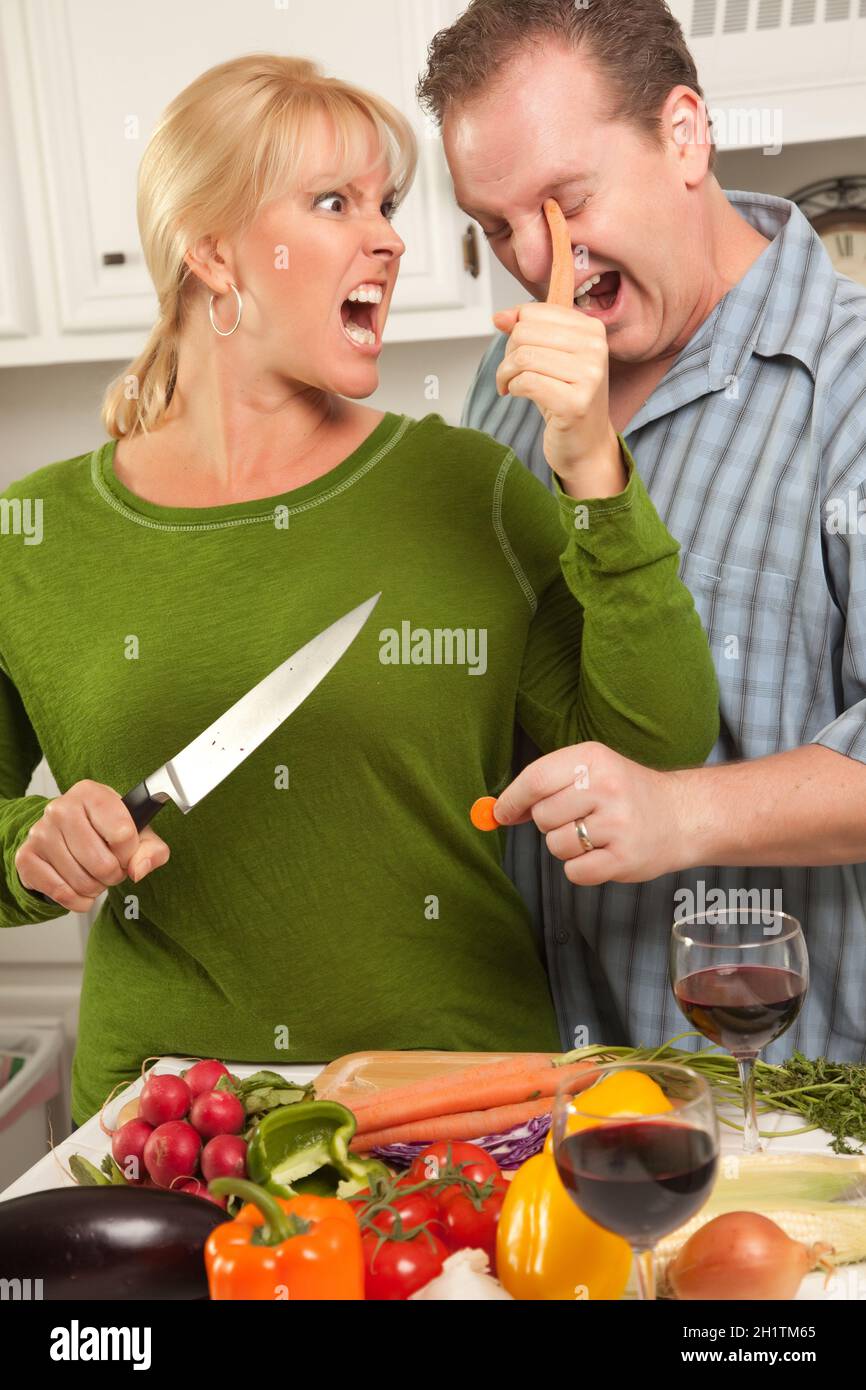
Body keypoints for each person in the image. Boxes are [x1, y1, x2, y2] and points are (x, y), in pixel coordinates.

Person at [0, 54, 717, 1126]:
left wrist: (593, 470)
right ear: (212, 254)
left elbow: (653, 742)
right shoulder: (35, 536)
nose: (386, 235)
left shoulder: (464, 485)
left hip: (465, 1106)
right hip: (176, 1117)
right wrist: (31, 845)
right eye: (333, 202)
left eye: (386, 203)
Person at [417, 0, 866, 1060]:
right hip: (548, 1087)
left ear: (681, 136)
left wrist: (678, 812)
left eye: (562, 202)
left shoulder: (846, 384)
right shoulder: (505, 379)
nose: (537, 261)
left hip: (786, 1097)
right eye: (493, 226)